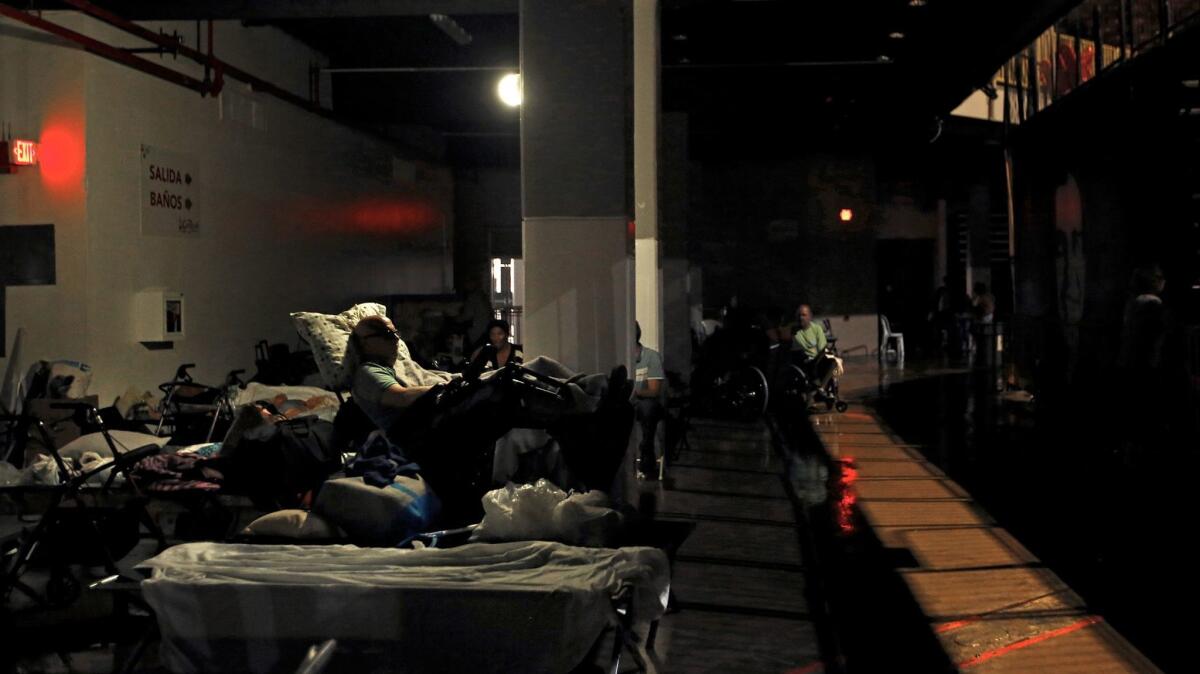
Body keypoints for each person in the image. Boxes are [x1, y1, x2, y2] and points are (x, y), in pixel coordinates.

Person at [348, 315, 632, 524]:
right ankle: (594, 403)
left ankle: (599, 387)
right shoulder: (368, 373)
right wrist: (448, 388)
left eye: (394, 331)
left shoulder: (400, 364)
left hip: (449, 397)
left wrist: (456, 380)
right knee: (510, 384)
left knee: (538, 365)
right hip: (430, 422)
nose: (394, 338)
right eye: (385, 334)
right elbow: (399, 396)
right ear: (364, 344)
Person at [632, 322, 665, 480]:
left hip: (644, 401)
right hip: (627, 402)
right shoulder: (619, 355)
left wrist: (636, 391)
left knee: (648, 408)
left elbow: (654, 390)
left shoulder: (651, 356)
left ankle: (647, 454)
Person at [792, 304, 835, 407]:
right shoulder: (794, 331)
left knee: (832, 359)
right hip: (803, 361)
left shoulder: (816, 329)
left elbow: (822, 347)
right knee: (807, 361)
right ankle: (815, 393)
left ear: (810, 316)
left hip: (816, 359)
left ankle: (821, 389)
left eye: (803, 315)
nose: (801, 317)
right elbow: (796, 349)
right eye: (799, 315)